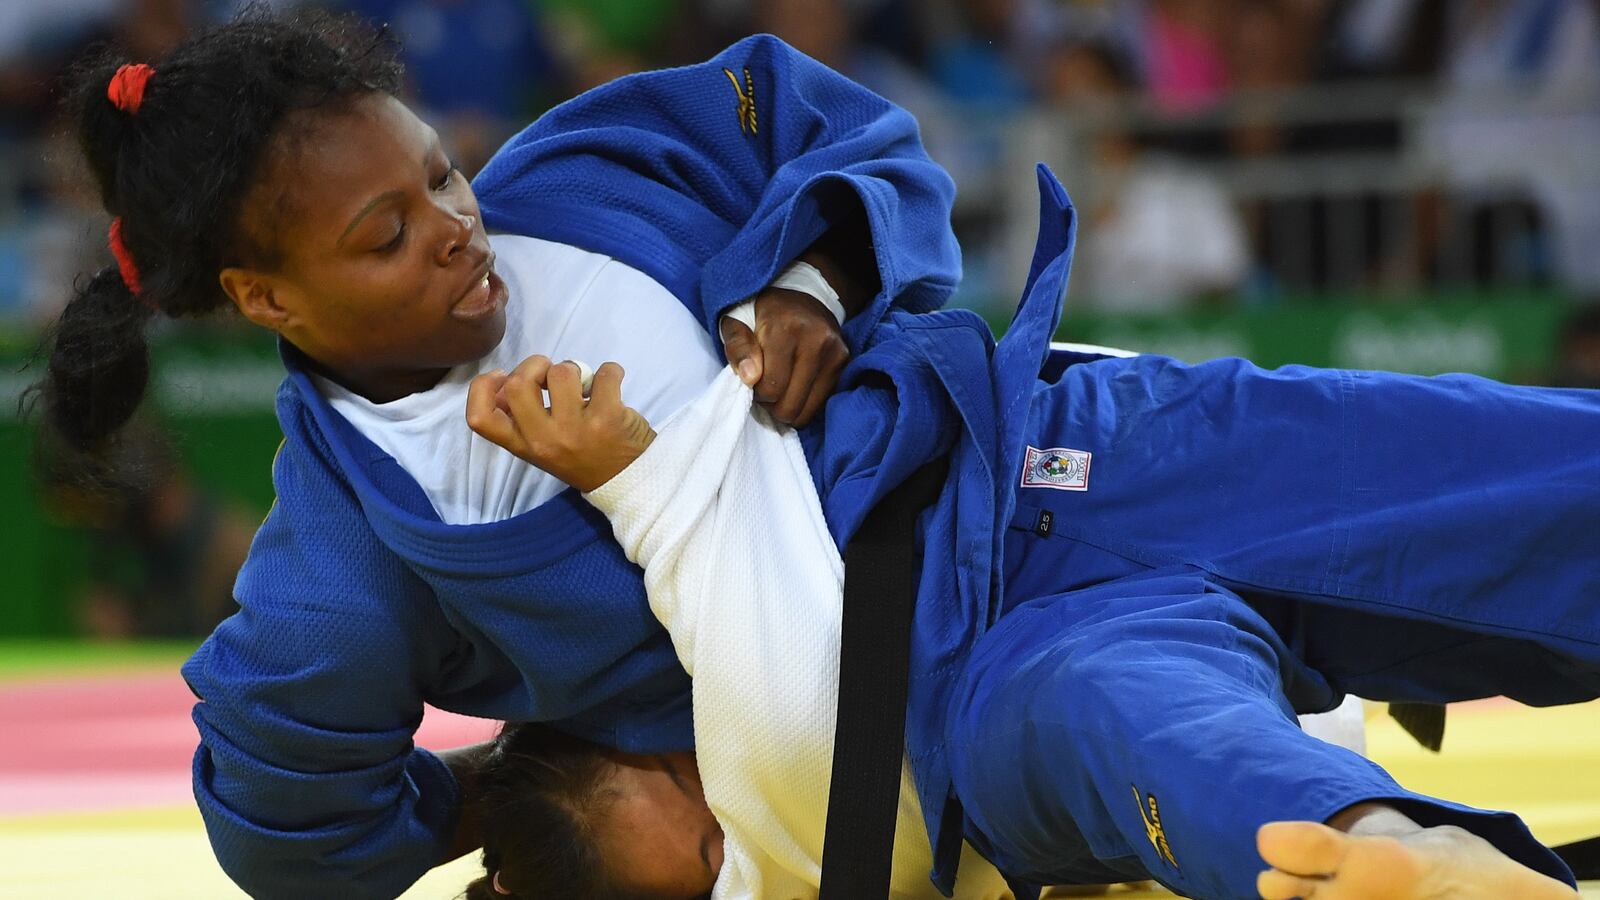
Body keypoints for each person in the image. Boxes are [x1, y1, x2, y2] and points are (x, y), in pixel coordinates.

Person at [33, 9, 1598, 900]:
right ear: (265, 300)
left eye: (441, 176)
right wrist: (497, 801)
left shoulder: (585, 167)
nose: (455, 234)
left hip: (1065, 451)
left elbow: (833, 129)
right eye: (389, 237)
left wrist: (813, 282)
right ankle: (1402, 857)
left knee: (1535, 486)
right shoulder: (349, 561)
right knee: (1160, 747)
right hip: (953, 701)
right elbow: (278, 815)